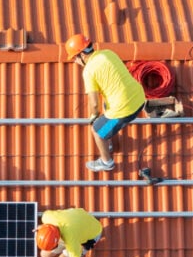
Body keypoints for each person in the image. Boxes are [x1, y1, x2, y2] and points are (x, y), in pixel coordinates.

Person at [63, 34, 147, 172]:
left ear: (82, 55)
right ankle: (108, 140)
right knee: (106, 107)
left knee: (97, 130)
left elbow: (94, 104)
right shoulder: (108, 53)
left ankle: (106, 162)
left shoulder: (88, 71)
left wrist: (93, 117)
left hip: (126, 110)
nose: (75, 62)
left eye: (74, 58)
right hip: (139, 97)